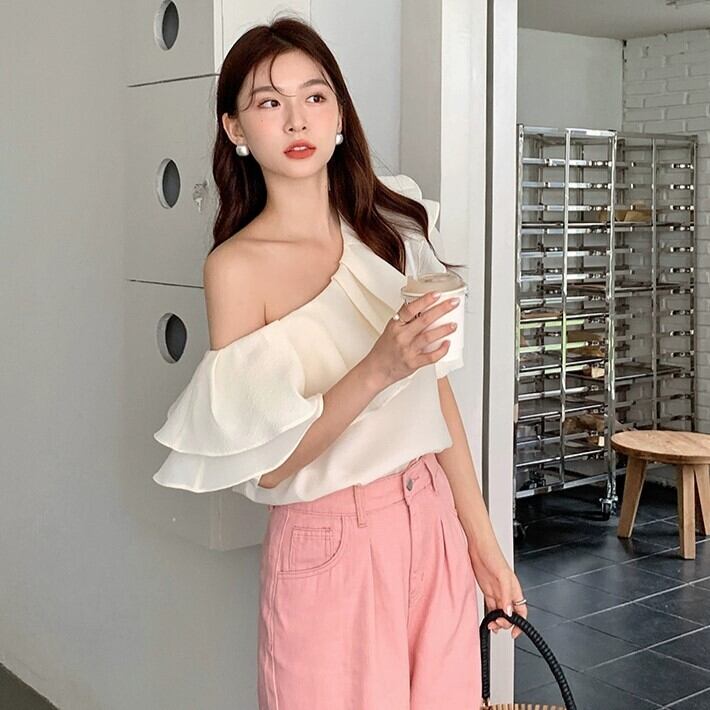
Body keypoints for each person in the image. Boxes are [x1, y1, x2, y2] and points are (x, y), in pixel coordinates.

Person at [152, 14, 526, 710]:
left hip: (432, 518)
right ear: (235, 128)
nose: (297, 119)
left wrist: (483, 544)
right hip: (328, 539)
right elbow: (268, 464)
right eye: (269, 101)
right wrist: (378, 368)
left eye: (315, 96)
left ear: (341, 116)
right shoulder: (236, 269)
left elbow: (437, 398)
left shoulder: (392, 228)